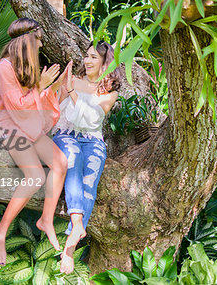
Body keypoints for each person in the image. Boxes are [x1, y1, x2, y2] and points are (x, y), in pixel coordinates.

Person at [0, 18, 71, 266]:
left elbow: (33, 101)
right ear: (27, 41)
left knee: (61, 162)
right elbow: (17, 106)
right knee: (35, 176)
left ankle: (46, 219)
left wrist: (53, 87)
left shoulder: (24, 69)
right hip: (10, 128)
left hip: (27, 127)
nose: (41, 44)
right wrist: (41, 86)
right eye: (39, 39)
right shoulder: (4, 67)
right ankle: (0, 232)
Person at [52, 41, 121, 274]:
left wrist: (72, 92)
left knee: (89, 182)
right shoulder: (73, 81)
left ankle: (68, 249)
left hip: (92, 140)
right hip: (66, 134)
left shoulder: (109, 93)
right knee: (73, 158)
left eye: (93, 57)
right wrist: (67, 87)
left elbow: (90, 120)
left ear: (105, 62)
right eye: (86, 56)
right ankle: (78, 225)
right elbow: (56, 108)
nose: (87, 61)